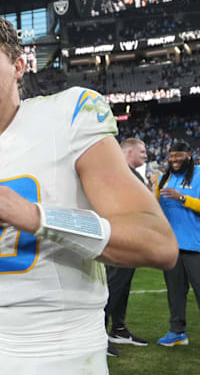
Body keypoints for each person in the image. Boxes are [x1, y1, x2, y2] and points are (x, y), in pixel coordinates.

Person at [0, 11, 177, 374]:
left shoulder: (68, 115)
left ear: (18, 65)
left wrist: (38, 217)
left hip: (68, 349)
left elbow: (159, 243)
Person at [105, 138, 150, 357]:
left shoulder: (132, 174)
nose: (145, 155)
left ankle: (119, 329)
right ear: (128, 152)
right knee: (112, 287)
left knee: (122, 287)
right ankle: (99, 335)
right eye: (142, 151)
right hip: (120, 239)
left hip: (132, 240)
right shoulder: (116, 173)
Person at [156, 140, 200, 347]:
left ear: (188, 155)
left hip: (196, 246)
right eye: (171, 156)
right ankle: (177, 332)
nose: (174, 159)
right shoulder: (165, 178)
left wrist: (182, 198)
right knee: (174, 292)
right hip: (171, 247)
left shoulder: (199, 174)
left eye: (178, 155)